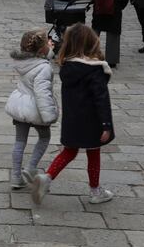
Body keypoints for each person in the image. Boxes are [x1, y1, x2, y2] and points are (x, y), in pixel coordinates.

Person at [30, 24, 115, 205]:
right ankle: (95, 190)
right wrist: (106, 124)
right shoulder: (95, 70)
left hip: (72, 120)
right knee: (93, 153)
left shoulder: (67, 68)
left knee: (69, 151)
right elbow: (101, 100)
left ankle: (47, 177)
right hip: (92, 121)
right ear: (92, 43)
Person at [5, 30, 58, 190]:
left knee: (20, 141)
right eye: (47, 44)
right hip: (36, 109)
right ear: (42, 50)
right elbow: (42, 93)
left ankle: (15, 177)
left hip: (20, 105)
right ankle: (30, 168)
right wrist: (48, 115)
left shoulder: (21, 63)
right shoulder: (44, 68)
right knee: (44, 137)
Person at [84, 0, 128, 68]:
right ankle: (112, 60)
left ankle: (91, 56)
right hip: (114, 13)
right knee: (113, 36)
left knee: (94, 34)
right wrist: (119, 7)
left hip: (99, 12)